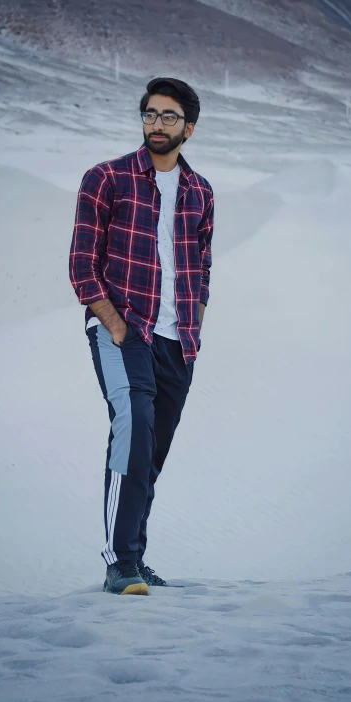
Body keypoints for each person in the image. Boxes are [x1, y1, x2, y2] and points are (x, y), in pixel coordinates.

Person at [69, 77, 214, 595]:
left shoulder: (200, 192)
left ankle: (137, 559)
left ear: (188, 129)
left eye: (169, 116)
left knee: (150, 450)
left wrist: (193, 324)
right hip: (123, 326)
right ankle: (119, 562)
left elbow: (202, 267)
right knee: (132, 429)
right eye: (150, 113)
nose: (157, 123)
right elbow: (82, 267)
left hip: (179, 342)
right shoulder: (105, 178)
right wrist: (115, 325)